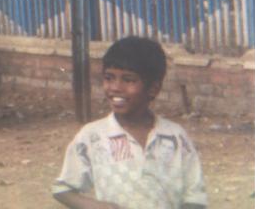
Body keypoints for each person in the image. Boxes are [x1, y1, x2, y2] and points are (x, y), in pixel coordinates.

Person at [52, 36, 208, 209]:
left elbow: (195, 198)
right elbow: (62, 190)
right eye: (109, 78)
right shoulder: (93, 136)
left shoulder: (175, 137)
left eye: (128, 80)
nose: (115, 87)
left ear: (153, 88)